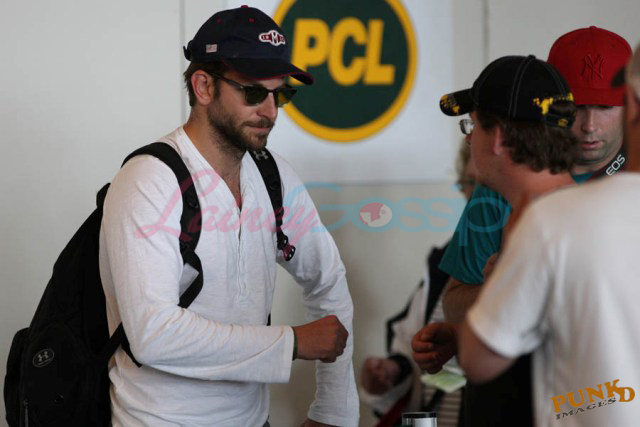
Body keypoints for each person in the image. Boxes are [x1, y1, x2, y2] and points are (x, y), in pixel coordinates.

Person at [99, 6, 358, 427]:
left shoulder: (273, 175)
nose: (271, 111)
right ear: (203, 86)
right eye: (254, 93)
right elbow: (152, 334)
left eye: (281, 94)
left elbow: (328, 279)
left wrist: (333, 411)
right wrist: (291, 342)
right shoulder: (148, 179)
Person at [413, 27, 632, 427]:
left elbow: (479, 360)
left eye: (473, 128)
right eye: (578, 107)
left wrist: (503, 292)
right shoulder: (510, 200)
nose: (589, 125)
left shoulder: (547, 221)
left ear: (496, 138)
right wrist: (476, 321)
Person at [360, 141, 476, 427]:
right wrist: (391, 371)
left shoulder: (533, 254)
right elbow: (411, 343)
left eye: (490, 186)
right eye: (472, 184)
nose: (481, 198)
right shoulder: (445, 262)